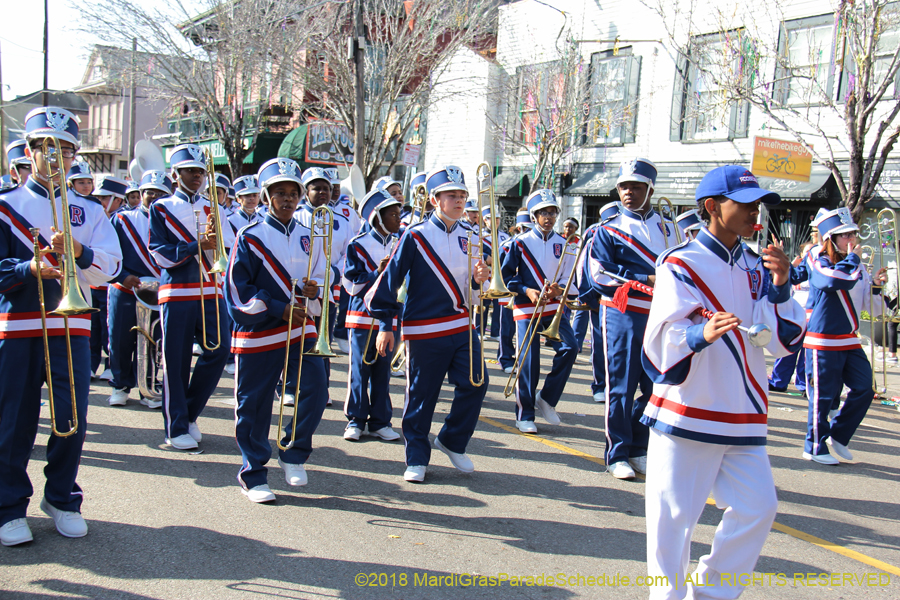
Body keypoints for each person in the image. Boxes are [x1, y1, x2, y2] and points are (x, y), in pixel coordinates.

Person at [642, 165, 806, 600]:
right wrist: (699, 334)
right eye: (746, 205)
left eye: (759, 206)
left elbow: (782, 340)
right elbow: (659, 342)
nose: (757, 214)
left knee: (758, 508)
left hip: (744, 413)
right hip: (688, 409)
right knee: (672, 522)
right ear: (713, 207)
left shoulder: (758, 265)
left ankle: (711, 593)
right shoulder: (679, 263)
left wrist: (782, 286)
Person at [0, 107, 122, 545]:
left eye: (66, 150)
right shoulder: (5, 207)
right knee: (14, 420)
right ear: (29, 152)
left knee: (72, 418)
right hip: (17, 326)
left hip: (72, 325)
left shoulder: (88, 211)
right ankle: (9, 506)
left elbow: (108, 268)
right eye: (46, 148)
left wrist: (78, 253)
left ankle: (62, 497)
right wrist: (27, 268)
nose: (57, 158)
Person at [367, 165, 490, 483]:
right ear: (436, 199)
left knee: (476, 383)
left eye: (462, 195)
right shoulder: (415, 236)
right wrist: (385, 324)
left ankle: (451, 440)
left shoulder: (473, 237)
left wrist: (479, 282)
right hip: (424, 330)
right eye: (452, 195)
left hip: (462, 326)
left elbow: (476, 293)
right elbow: (389, 281)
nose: (460, 200)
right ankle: (417, 457)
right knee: (422, 395)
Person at [225, 157, 328, 503]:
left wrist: (315, 291)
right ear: (266, 196)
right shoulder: (249, 236)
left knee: (316, 390)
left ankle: (293, 452)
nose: (287, 199)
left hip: (301, 328)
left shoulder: (309, 234)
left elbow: (324, 275)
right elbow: (238, 291)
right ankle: (253, 473)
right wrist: (276, 307)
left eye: (292, 193)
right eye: (279, 192)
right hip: (260, 331)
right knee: (253, 404)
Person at [586, 158, 678, 479]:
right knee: (621, 388)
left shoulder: (669, 227)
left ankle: (639, 446)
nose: (629, 192)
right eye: (624, 186)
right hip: (623, 314)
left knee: (657, 387)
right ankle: (617, 453)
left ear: (650, 189)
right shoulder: (607, 230)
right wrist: (644, 277)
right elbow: (598, 273)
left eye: (637, 186)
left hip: (661, 316)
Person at [148, 143, 234, 450]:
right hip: (177, 292)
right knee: (176, 360)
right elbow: (158, 253)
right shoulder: (161, 207)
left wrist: (215, 247)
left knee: (221, 350)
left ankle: (189, 412)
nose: (196, 177)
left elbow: (230, 249)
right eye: (189, 171)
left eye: (200, 172)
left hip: (212, 290)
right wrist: (196, 245)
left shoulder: (217, 208)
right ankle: (176, 426)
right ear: (175, 174)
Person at [801, 207, 882, 465]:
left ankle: (840, 434)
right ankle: (814, 446)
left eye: (853, 235)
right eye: (845, 235)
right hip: (822, 339)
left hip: (849, 338)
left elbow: (871, 305)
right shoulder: (818, 258)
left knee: (864, 387)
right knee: (822, 398)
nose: (852, 240)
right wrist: (855, 261)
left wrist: (879, 286)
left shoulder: (855, 263)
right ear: (831, 238)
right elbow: (832, 280)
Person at [501, 190, 577, 434]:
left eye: (553, 212)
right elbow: (505, 278)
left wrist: (560, 288)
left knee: (570, 348)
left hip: (553, 308)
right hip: (526, 308)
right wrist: (526, 289)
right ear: (534, 216)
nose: (549, 217)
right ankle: (524, 414)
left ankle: (547, 398)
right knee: (528, 361)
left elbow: (569, 277)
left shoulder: (563, 244)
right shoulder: (519, 243)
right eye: (544, 212)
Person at [341, 189, 403, 441]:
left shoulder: (402, 242)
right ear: (376, 216)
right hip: (362, 316)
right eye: (392, 213)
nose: (399, 217)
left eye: (399, 212)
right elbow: (350, 285)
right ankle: (355, 420)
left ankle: (380, 421)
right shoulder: (358, 244)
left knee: (382, 371)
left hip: (391, 316)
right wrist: (376, 273)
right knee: (360, 369)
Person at [106, 170, 171, 408]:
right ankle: (120, 385)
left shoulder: (172, 221)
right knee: (121, 339)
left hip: (158, 292)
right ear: (140, 194)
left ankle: (148, 388)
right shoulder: (121, 220)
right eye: (149, 192)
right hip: (124, 289)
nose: (153, 197)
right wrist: (123, 276)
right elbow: (107, 252)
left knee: (154, 342)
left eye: (160, 193)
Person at [289, 167, 352, 404]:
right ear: (306, 192)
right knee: (295, 339)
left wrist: (332, 273)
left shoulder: (343, 221)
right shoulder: (295, 217)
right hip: (300, 288)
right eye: (317, 188)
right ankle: (290, 387)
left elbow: (349, 254)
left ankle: (320, 388)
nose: (323, 192)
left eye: (326, 188)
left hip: (328, 288)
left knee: (321, 338)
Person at [575, 201, 620, 403]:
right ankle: (600, 384)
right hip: (602, 298)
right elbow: (584, 265)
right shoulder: (597, 233)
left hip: (629, 299)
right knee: (600, 343)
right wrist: (589, 296)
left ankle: (616, 385)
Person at [90, 176, 129, 382]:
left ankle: (110, 365)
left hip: (112, 284)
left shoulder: (122, 220)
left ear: (118, 200)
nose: (101, 201)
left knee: (110, 330)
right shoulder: (95, 216)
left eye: (105, 198)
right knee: (94, 327)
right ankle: (91, 363)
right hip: (92, 282)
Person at [768, 240, 814, 394]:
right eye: (807, 253)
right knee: (788, 350)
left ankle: (803, 385)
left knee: (806, 356)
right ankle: (779, 381)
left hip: (811, 315)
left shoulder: (818, 270)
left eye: (812, 252)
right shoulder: (796, 271)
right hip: (795, 315)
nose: (810, 255)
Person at [497, 210, 533, 373]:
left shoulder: (533, 245)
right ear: (518, 228)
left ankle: (521, 358)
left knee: (524, 330)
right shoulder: (507, 245)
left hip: (525, 293)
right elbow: (502, 271)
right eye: (524, 228)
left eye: (530, 228)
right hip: (509, 292)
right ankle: (505, 358)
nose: (527, 232)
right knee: (507, 328)